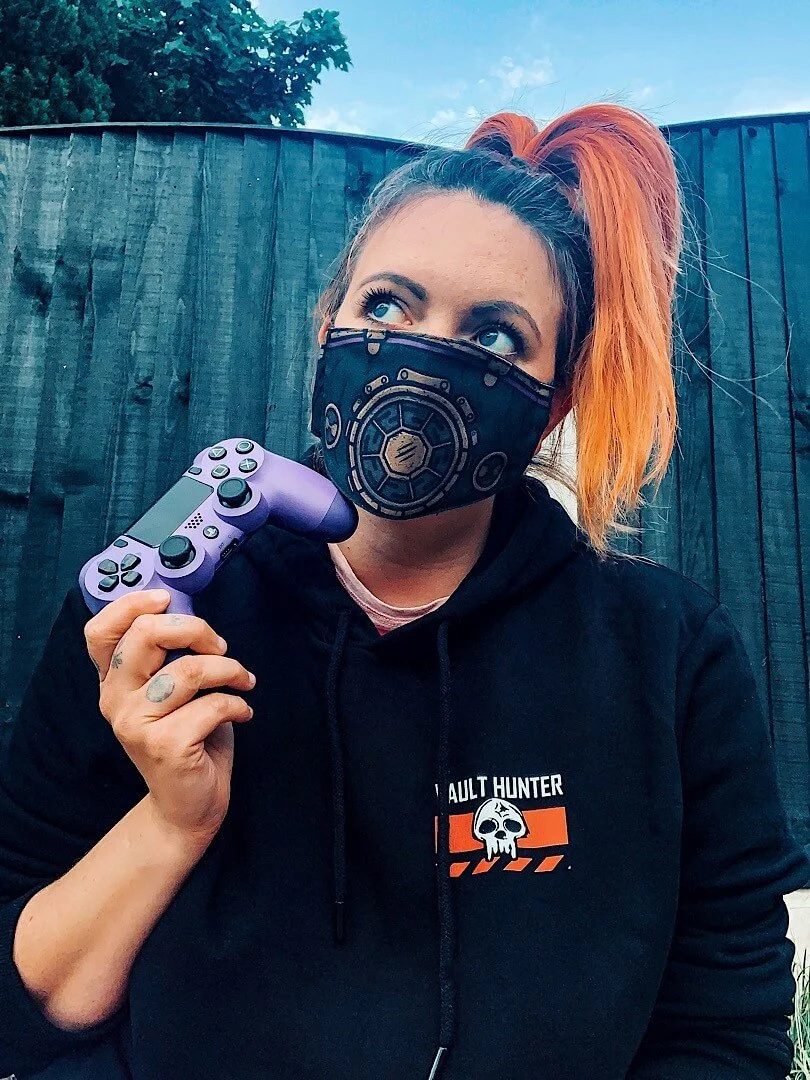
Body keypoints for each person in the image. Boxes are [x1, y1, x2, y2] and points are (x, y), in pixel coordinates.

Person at [0, 103, 807, 1080]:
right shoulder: (150, 628)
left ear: (553, 401)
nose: (423, 357)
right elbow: (24, 1010)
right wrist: (172, 824)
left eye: (496, 337)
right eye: (386, 307)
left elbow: (726, 1033)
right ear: (327, 324)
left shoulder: (669, 656)